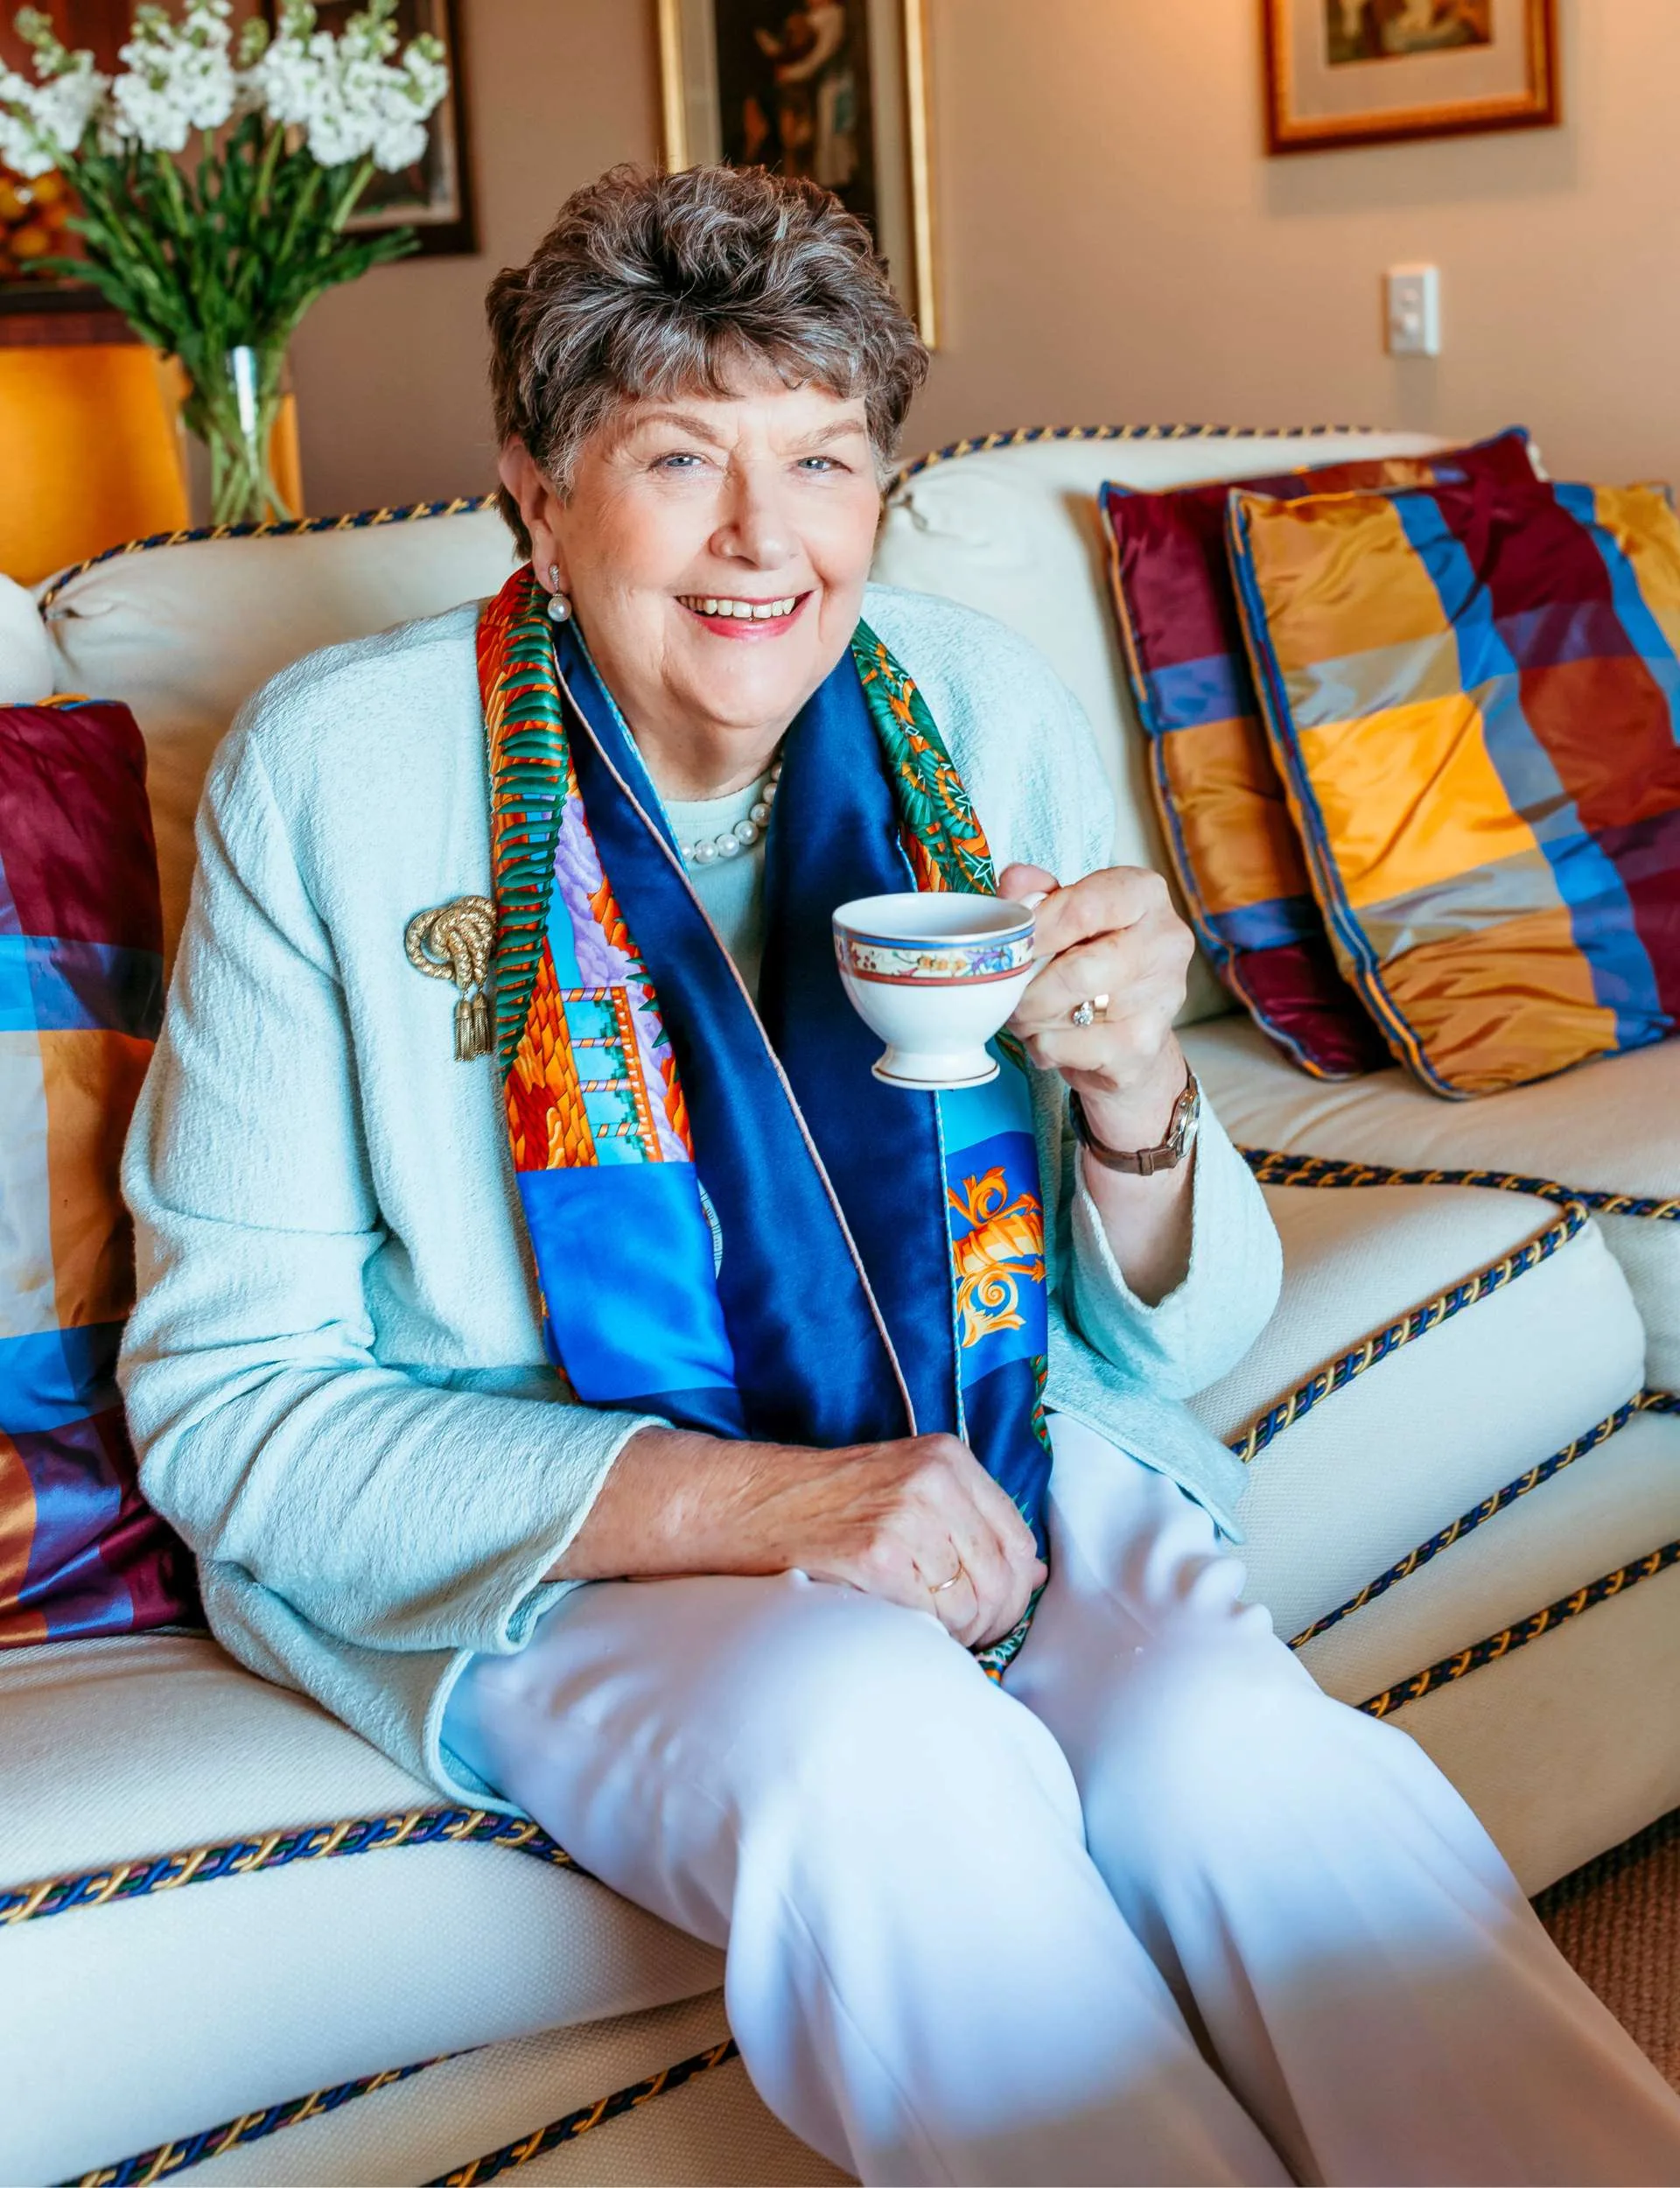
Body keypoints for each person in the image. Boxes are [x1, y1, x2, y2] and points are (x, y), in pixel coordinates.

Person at [120, 163, 1680, 2186]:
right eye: (680, 457)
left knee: (1240, 1756)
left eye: (824, 459)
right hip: (544, 1520)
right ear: (536, 492)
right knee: (881, 1742)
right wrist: (791, 1504)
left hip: (987, 1412)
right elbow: (230, 1407)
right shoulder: (334, 771)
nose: (764, 537)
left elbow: (1182, 1334)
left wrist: (1137, 1091)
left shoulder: (977, 715)